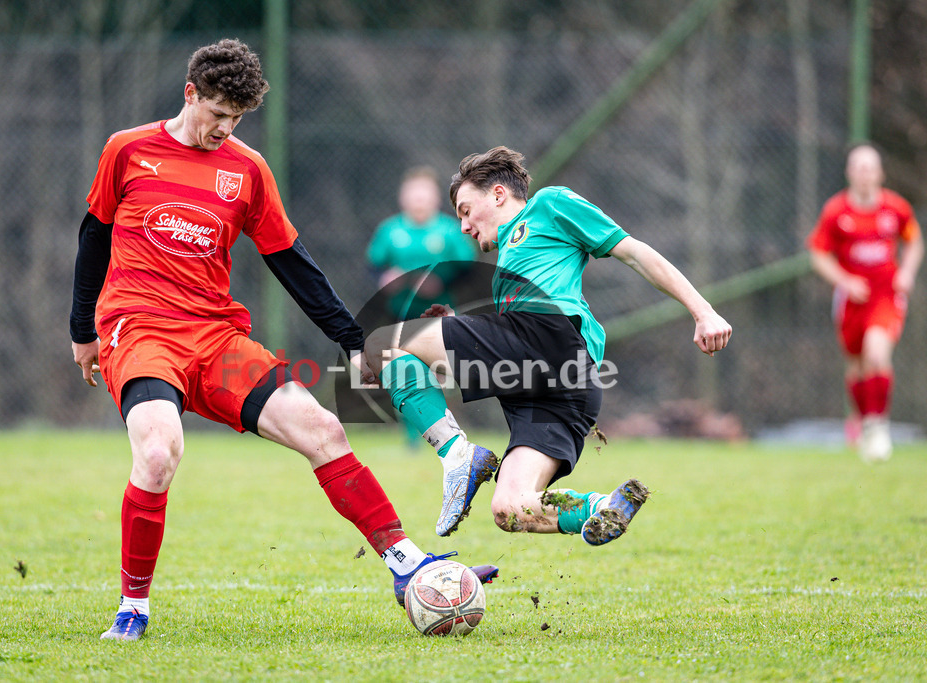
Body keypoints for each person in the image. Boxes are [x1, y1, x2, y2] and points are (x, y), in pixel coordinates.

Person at [69, 39, 496, 642]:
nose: (226, 128)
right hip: (139, 330)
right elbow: (94, 236)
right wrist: (81, 330)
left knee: (323, 429)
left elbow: (292, 263)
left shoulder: (246, 169)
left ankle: (407, 566)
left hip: (217, 337)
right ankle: (133, 608)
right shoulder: (128, 149)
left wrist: (351, 340)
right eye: (217, 114)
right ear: (190, 94)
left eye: (237, 119)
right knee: (160, 450)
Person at [363, 146, 732, 542]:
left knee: (382, 343)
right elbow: (500, 342)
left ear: (500, 194)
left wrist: (703, 310)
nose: (464, 226)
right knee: (510, 508)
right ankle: (601, 507)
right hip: (565, 387)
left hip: (548, 344)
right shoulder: (507, 264)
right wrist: (441, 344)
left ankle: (456, 455)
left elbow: (634, 253)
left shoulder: (550, 205)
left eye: (466, 211)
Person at [807, 143, 923, 462]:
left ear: (880, 173)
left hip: (886, 297)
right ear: (849, 173)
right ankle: (866, 425)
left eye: (870, 167)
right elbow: (818, 254)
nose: (864, 173)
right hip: (851, 301)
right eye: (858, 167)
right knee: (856, 367)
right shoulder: (836, 211)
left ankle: (878, 425)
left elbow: (914, 243)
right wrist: (844, 280)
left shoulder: (896, 209)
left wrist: (907, 273)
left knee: (876, 351)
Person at [366, 166, 478, 448]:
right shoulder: (391, 230)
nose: (418, 198)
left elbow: (467, 267)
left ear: (435, 198)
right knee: (404, 373)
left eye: (424, 193)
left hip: (438, 314)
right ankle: (412, 439)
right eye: (413, 192)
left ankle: (446, 433)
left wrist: (441, 280)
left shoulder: (449, 230)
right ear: (403, 197)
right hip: (399, 314)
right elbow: (374, 265)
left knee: (439, 375)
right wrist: (385, 278)